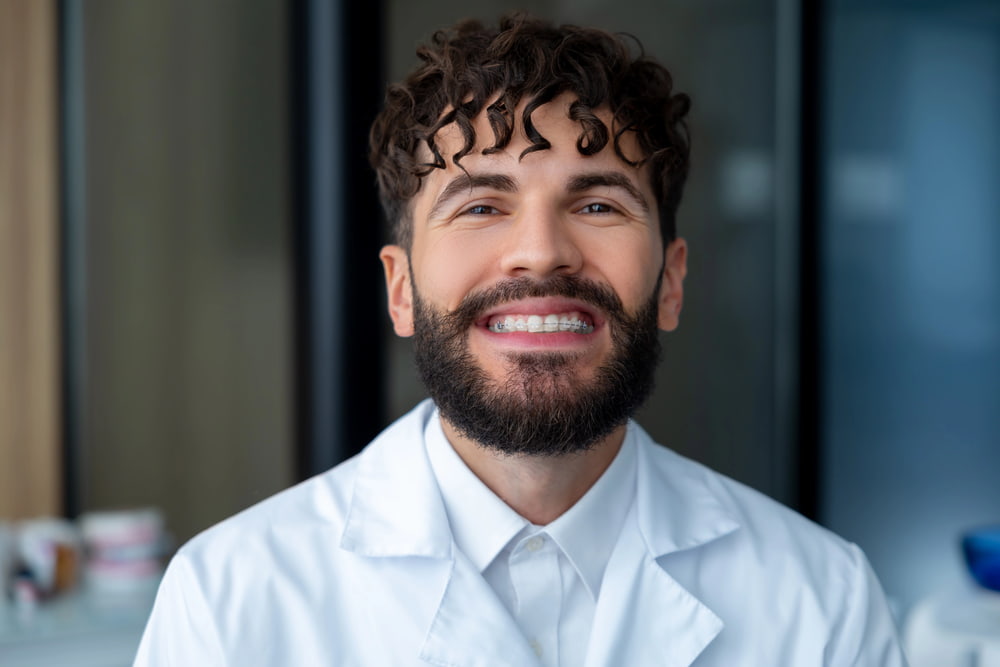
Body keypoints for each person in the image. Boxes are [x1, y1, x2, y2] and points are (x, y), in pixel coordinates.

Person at [135, 14, 907, 666]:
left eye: (599, 205)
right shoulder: (228, 606)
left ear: (671, 282)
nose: (541, 251)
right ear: (399, 289)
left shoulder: (823, 605)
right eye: (479, 206)